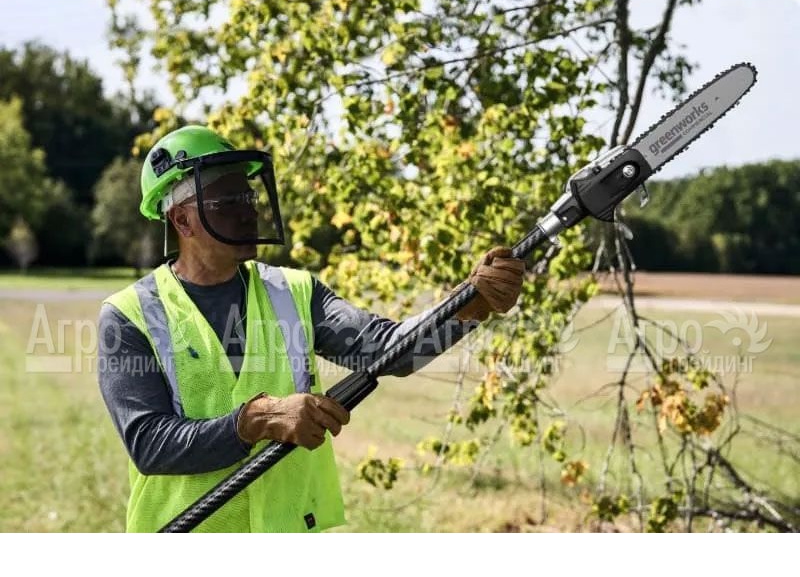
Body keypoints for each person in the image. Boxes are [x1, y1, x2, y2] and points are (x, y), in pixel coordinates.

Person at [97, 125, 525, 533]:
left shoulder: (294, 292)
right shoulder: (129, 315)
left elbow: (393, 351)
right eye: (229, 201)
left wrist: (469, 305)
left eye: (249, 196)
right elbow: (150, 443)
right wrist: (257, 421)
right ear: (182, 221)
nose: (249, 211)